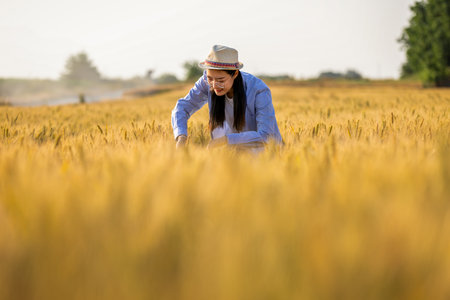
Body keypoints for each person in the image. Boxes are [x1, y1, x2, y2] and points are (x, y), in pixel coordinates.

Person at [171, 45, 283, 151]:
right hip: (231, 156)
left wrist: (226, 140)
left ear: (235, 74)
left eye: (221, 80)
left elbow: (266, 135)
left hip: (268, 156)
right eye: (210, 79)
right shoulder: (206, 81)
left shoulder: (258, 90)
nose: (214, 85)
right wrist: (181, 136)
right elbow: (182, 107)